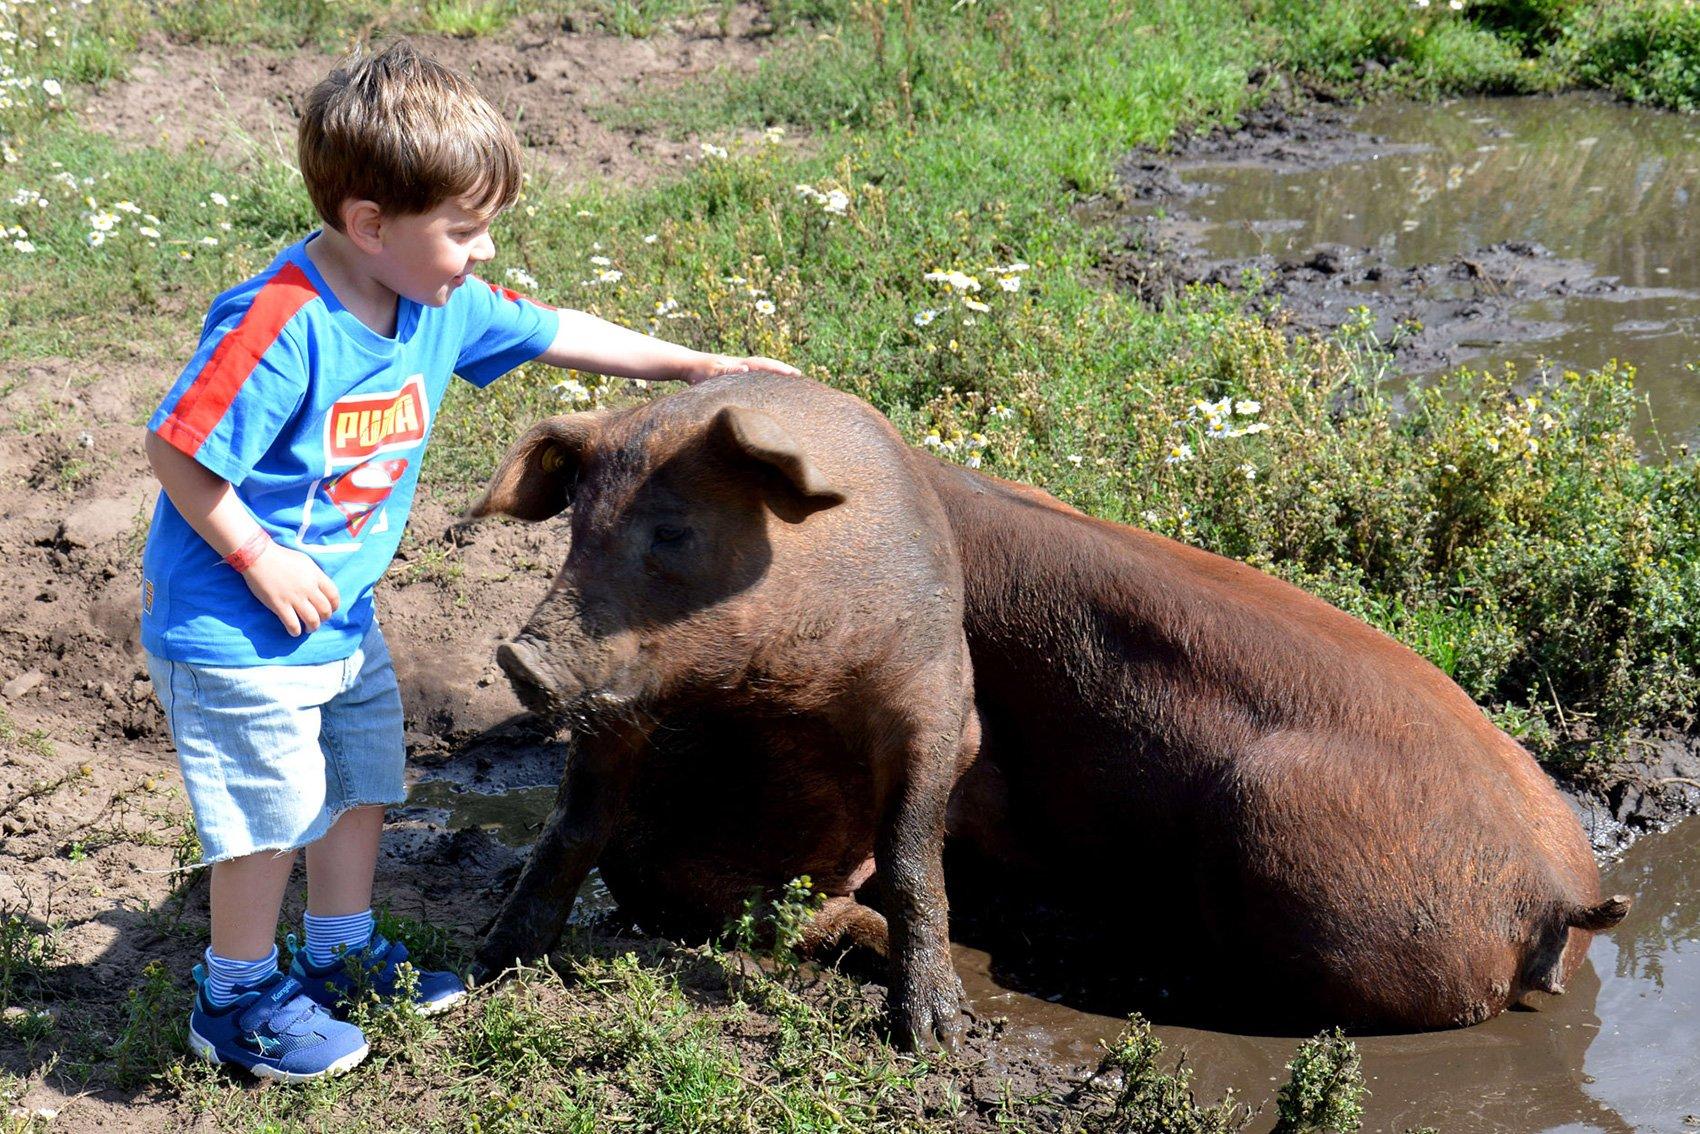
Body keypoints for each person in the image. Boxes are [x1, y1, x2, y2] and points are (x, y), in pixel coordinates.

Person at [140, 39, 798, 1082]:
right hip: (234, 629)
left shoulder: (433, 303)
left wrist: (698, 365)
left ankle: (341, 951)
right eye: (463, 231)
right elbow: (177, 449)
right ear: (367, 224)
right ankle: (236, 994)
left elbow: (555, 331)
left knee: (358, 783)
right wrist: (258, 558)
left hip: (337, 621)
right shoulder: (280, 325)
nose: (481, 255)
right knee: (267, 814)